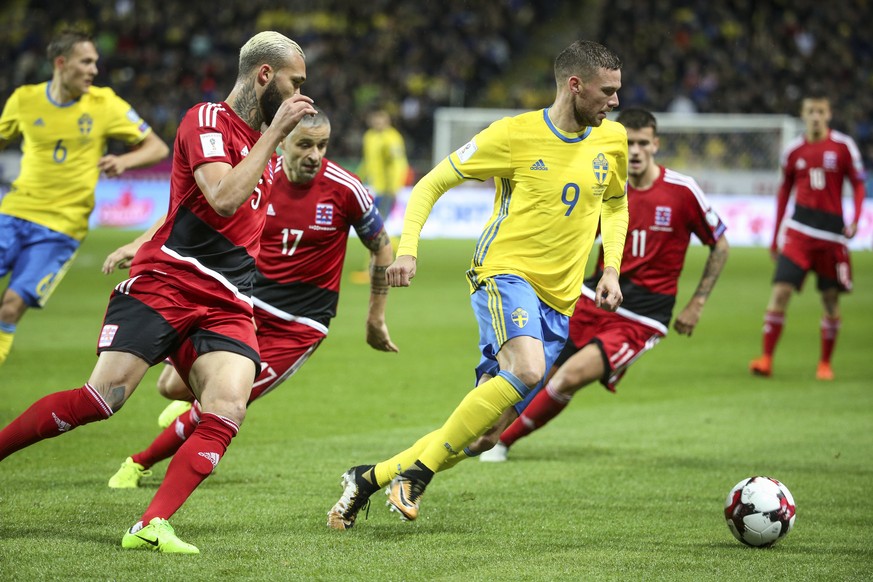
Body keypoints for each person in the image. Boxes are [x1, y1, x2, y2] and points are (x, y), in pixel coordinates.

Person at [0, 31, 317, 554]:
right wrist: (276, 133)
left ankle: (150, 525)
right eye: (295, 82)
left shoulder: (268, 147)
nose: (302, 94)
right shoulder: (207, 121)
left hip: (228, 299)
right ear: (265, 76)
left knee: (229, 404)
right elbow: (219, 197)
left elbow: (189, 206)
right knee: (101, 400)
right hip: (168, 283)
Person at [327, 39, 629, 529]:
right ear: (575, 85)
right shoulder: (513, 135)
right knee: (528, 370)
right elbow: (429, 183)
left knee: (483, 436)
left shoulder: (611, 141)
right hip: (503, 273)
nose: (615, 101)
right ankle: (417, 477)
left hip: (562, 299)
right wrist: (408, 250)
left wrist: (611, 267)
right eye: (607, 91)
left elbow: (615, 203)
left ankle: (368, 477)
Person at [101, 108, 398, 488]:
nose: (314, 155)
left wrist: (375, 317)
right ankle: (193, 404)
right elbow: (192, 211)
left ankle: (138, 463)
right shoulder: (258, 173)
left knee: (222, 406)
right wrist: (139, 242)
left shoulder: (346, 188)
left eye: (322, 145)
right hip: (246, 303)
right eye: (305, 144)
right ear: (281, 141)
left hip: (300, 324)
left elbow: (382, 248)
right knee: (169, 388)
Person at [469, 107, 729, 462]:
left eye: (642, 143)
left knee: (569, 376)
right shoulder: (604, 182)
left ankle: (502, 441)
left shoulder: (682, 191)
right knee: (537, 368)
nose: (634, 151)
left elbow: (720, 243)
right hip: (593, 294)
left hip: (643, 314)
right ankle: (483, 432)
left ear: (655, 144)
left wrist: (697, 303)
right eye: (628, 142)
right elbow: (573, 236)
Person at [0, 29, 170, 367]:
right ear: (61, 63)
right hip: (13, 212)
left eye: (96, 62)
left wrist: (124, 160)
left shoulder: (104, 103)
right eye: (86, 61)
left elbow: (158, 147)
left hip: (61, 227)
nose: (94, 70)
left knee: (10, 305)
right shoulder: (24, 99)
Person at [749, 93, 866, 380]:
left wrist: (855, 219)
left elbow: (859, 185)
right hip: (799, 232)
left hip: (831, 236)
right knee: (780, 292)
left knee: (829, 299)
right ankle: (766, 358)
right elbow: (783, 193)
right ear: (804, 114)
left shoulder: (843, 146)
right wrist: (776, 235)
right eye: (811, 111)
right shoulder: (793, 151)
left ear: (828, 114)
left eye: (821, 111)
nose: (816, 116)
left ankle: (825, 363)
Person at [350, 108, 409, 283]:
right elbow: (368, 162)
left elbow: (399, 164)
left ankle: (372, 269)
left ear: (388, 120)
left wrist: (395, 186)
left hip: (388, 189)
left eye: (381, 118)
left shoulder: (392, 138)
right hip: (376, 189)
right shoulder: (369, 137)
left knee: (375, 228)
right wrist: (357, 179)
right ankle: (404, 251)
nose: (378, 122)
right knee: (378, 227)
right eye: (375, 118)